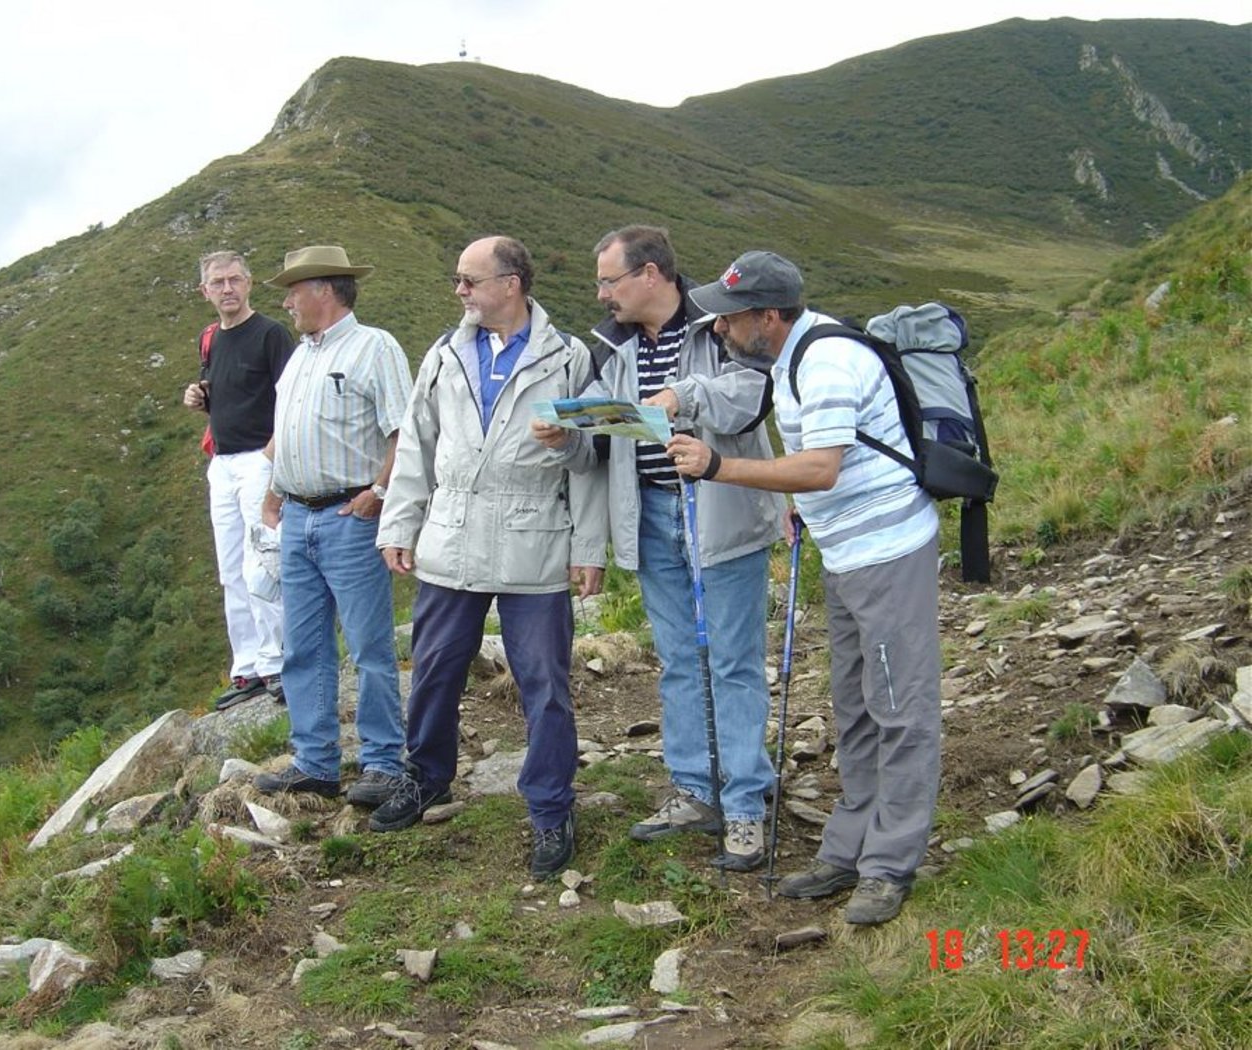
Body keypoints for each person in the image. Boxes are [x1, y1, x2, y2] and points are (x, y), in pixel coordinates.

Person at [666, 250, 942, 925]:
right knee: (854, 705)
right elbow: (822, 470)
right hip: (847, 554)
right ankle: (847, 850)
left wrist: (716, 466)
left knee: (900, 708)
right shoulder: (788, 361)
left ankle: (889, 865)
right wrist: (798, 506)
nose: (720, 331)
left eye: (730, 319)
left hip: (886, 552)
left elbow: (820, 467)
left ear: (768, 315)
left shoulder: (825, 362)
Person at [533, 225, 783, 872]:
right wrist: (566, 434)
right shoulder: (611, 350)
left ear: (650, 275)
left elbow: (747, 398)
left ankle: (748, 805)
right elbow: (599, 436)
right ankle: (696, 790)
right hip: (651, 517)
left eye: (609, 281)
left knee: (732, 661)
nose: (601, 294)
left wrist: (670, 401)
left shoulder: (721, 324)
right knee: (677, 661)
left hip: (720, 514)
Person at [371, 236, 608, 881]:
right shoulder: (445, 353)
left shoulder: (569, 358)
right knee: (435, 670)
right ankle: (427, 778)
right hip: (451, 536)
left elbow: (592, 463)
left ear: (512, 283)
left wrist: (589, 547)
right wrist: (401, 523)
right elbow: (418, 448)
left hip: (536, 539)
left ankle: (552, 807)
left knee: (545, 684)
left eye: (470, 281)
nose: (460, 292)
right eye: (458, 281)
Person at [252, 246, 413, 808]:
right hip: (297, 516)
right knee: (304, 646)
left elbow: (404, 432)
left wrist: (380, 494)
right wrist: (275, 492)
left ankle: (383, 762)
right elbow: (287, 433)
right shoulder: (299, 357)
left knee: (369, 645)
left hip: (350, 516)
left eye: (294, 289)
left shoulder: (375, 347)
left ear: (324, 290)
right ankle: (315, 763)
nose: (286, 300)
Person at [182, 251, 294, 711]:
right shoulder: (210, 339)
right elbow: (228, 395)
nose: (227, 289)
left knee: (263, 564)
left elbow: (290, 399)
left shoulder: (270, 335)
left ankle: (279, 663)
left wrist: (273, 459)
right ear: (204, 291)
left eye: (234, 280)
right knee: (231, 570)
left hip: (259, 460)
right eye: (217, 282)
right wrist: (200, 398)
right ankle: (246, 666)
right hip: (223, 462)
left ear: (249, 284)